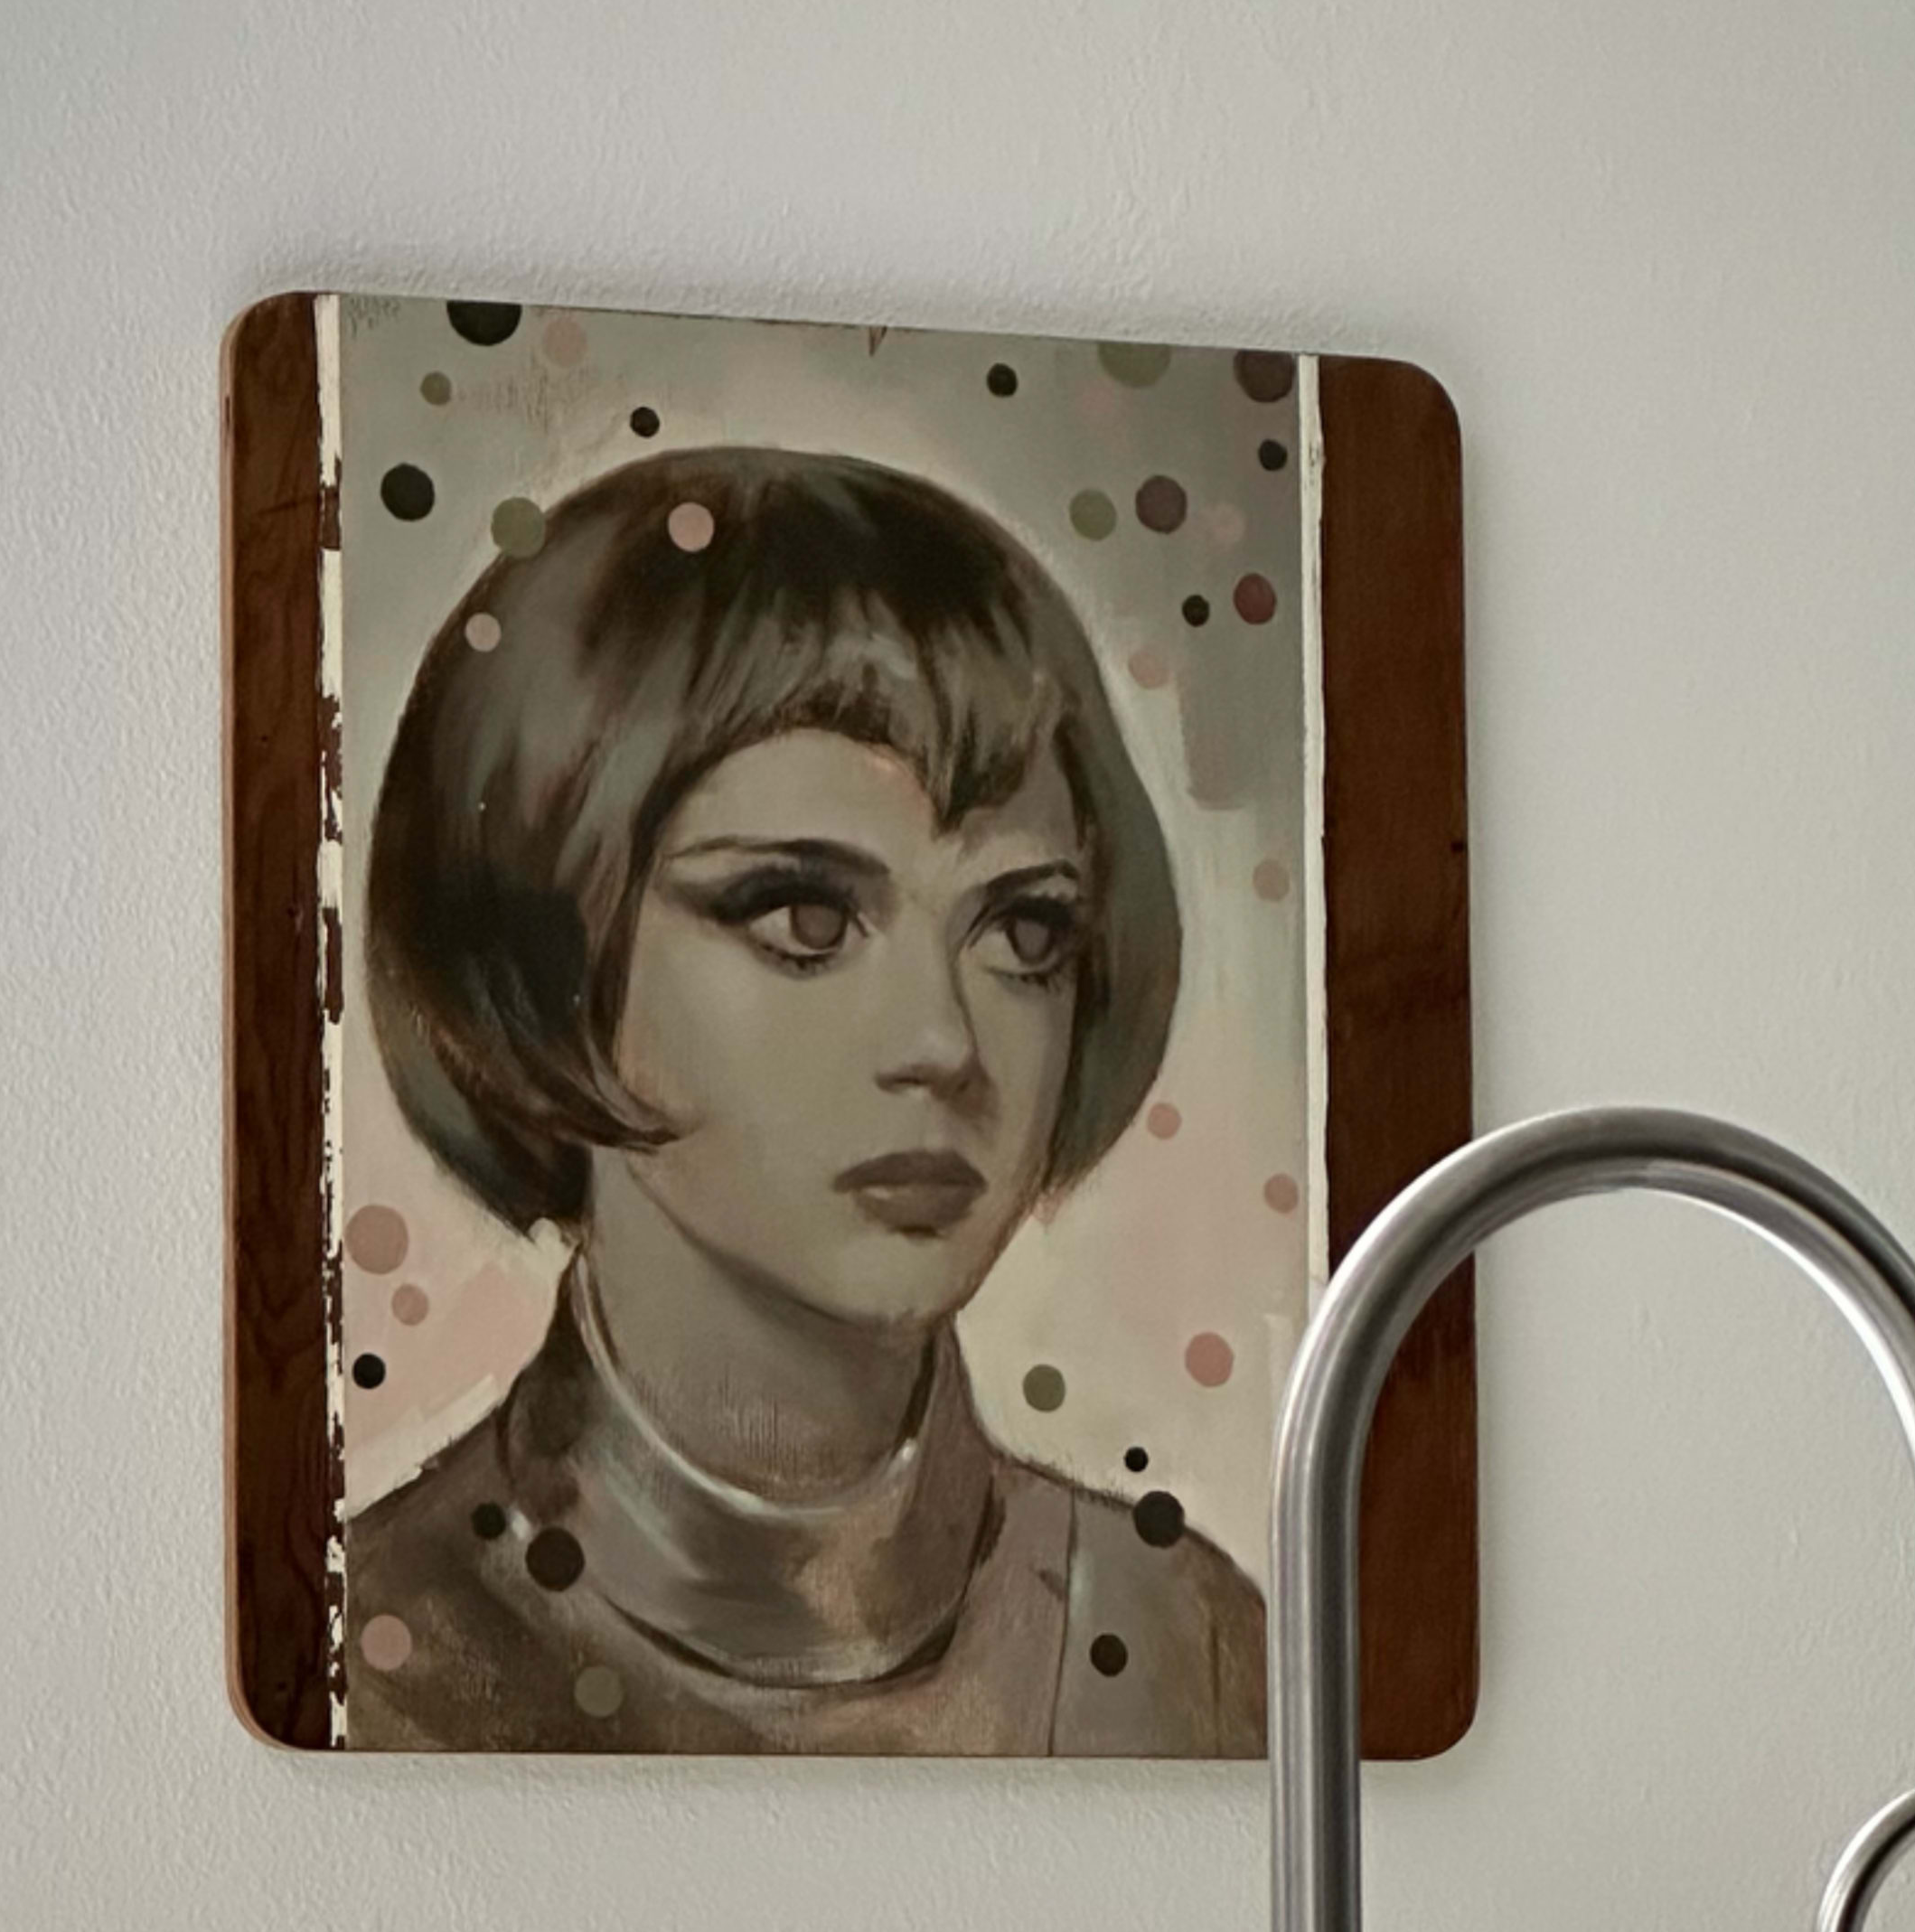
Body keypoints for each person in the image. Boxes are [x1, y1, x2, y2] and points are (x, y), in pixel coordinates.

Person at [343, 444, 1265, 1755]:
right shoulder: (369, 1666)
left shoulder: (1195, 1647)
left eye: (1022, 933)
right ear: (550, 954)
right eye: (804, 915)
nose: (945, 1043)